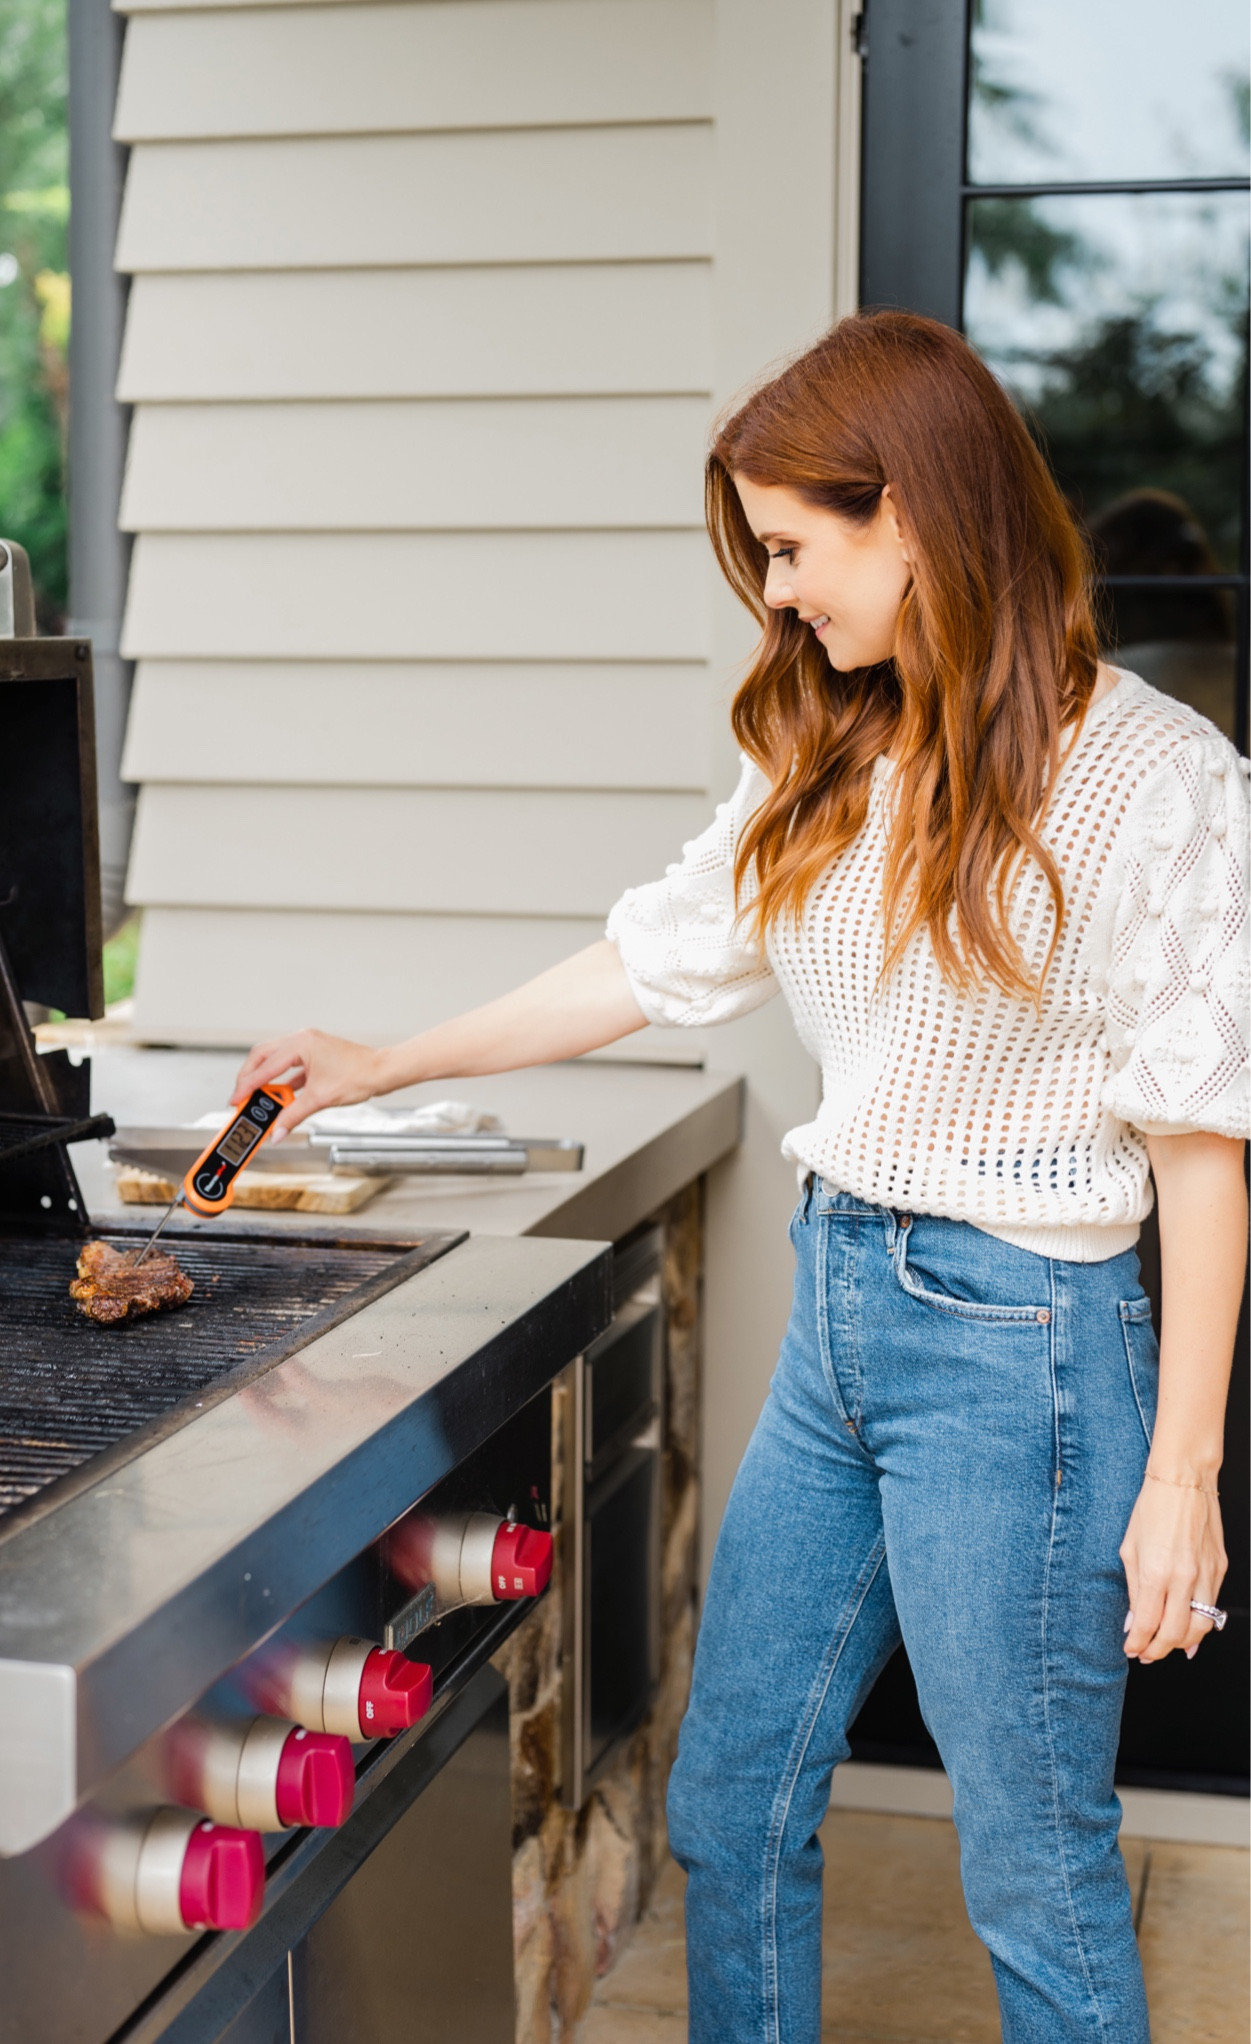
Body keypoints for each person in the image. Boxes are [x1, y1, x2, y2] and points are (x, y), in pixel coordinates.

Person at [234, 312, 1249, 2042]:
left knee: (1036, 1866)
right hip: (839, 1315)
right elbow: (652, 961)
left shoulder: (1160, 780)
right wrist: (386, 1060)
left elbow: (1205, 1142)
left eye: (793, 548)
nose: (776, 595)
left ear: (912, 519)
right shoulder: (837, 748)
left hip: (1028, 1352)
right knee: (731, 1807)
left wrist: (1185, 1475)